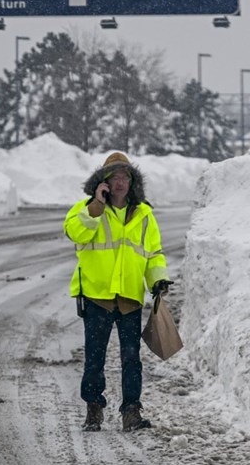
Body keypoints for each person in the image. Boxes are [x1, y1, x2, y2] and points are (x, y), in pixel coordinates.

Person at [64, 152, 173, 432]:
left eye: (125, 176)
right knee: (94, 359)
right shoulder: (86, 209)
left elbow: (153, 254)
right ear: (103, 182)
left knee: (131, 358)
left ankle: (131, 412)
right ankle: (93, 409)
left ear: (132, 181)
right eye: (114, 177)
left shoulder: (144, 214)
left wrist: (158, 280)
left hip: (129, 298)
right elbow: (76, 233)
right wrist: (96, 206)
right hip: (97, 296)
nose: (120, 182)